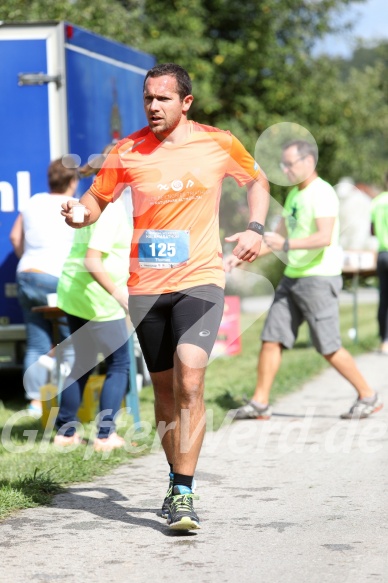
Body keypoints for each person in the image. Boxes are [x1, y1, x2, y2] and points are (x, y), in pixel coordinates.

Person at [61, 63, 270, 530]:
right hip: (147, 288)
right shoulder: (127, 150)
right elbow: (97, 200)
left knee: (190, 378)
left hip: (201, 277)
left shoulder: (218, 142)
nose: (153, 107)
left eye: (163, 99)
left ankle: (183, 492)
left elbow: (258, 180)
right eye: (148, 99)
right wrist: (79, 214)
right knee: (164, 392)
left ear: (186, 102)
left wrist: (256, 228)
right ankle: (175, 477)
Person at [228, 140, 383, 422]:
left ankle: (367, 395)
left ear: (308, 161)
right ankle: (260, 403)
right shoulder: (294, 196)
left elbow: (323, 237)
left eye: (290, 163)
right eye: (283, 164)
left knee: (328, 346)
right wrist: (241, 257)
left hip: (319, 279)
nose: (285, 169)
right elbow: (276, 241)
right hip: (293, 278)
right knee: (271, 339)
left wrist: (286, 244)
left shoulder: (321, 193)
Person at [54, 149, 132, 452]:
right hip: (97, 298)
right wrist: (120, 294)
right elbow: (93, 260)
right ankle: (105, 435)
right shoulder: (109, 208)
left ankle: (65, 431)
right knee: (119, 364)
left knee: (83, 361)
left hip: (74, 293)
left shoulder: (89, 204)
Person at [9, 159, 78, 416]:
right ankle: (69, 400)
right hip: (56, 277)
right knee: (70, 341)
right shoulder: (74, 206)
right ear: (72, 181)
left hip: (27, 275)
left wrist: (27, 259)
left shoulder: (33, 202)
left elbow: (15, 237)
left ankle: (35, 403)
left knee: (37, 342)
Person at [371, 172, 388, 355]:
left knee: (384, 299)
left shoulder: (377, 201)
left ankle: (384, 340)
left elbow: (373, 230)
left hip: (382, 254)